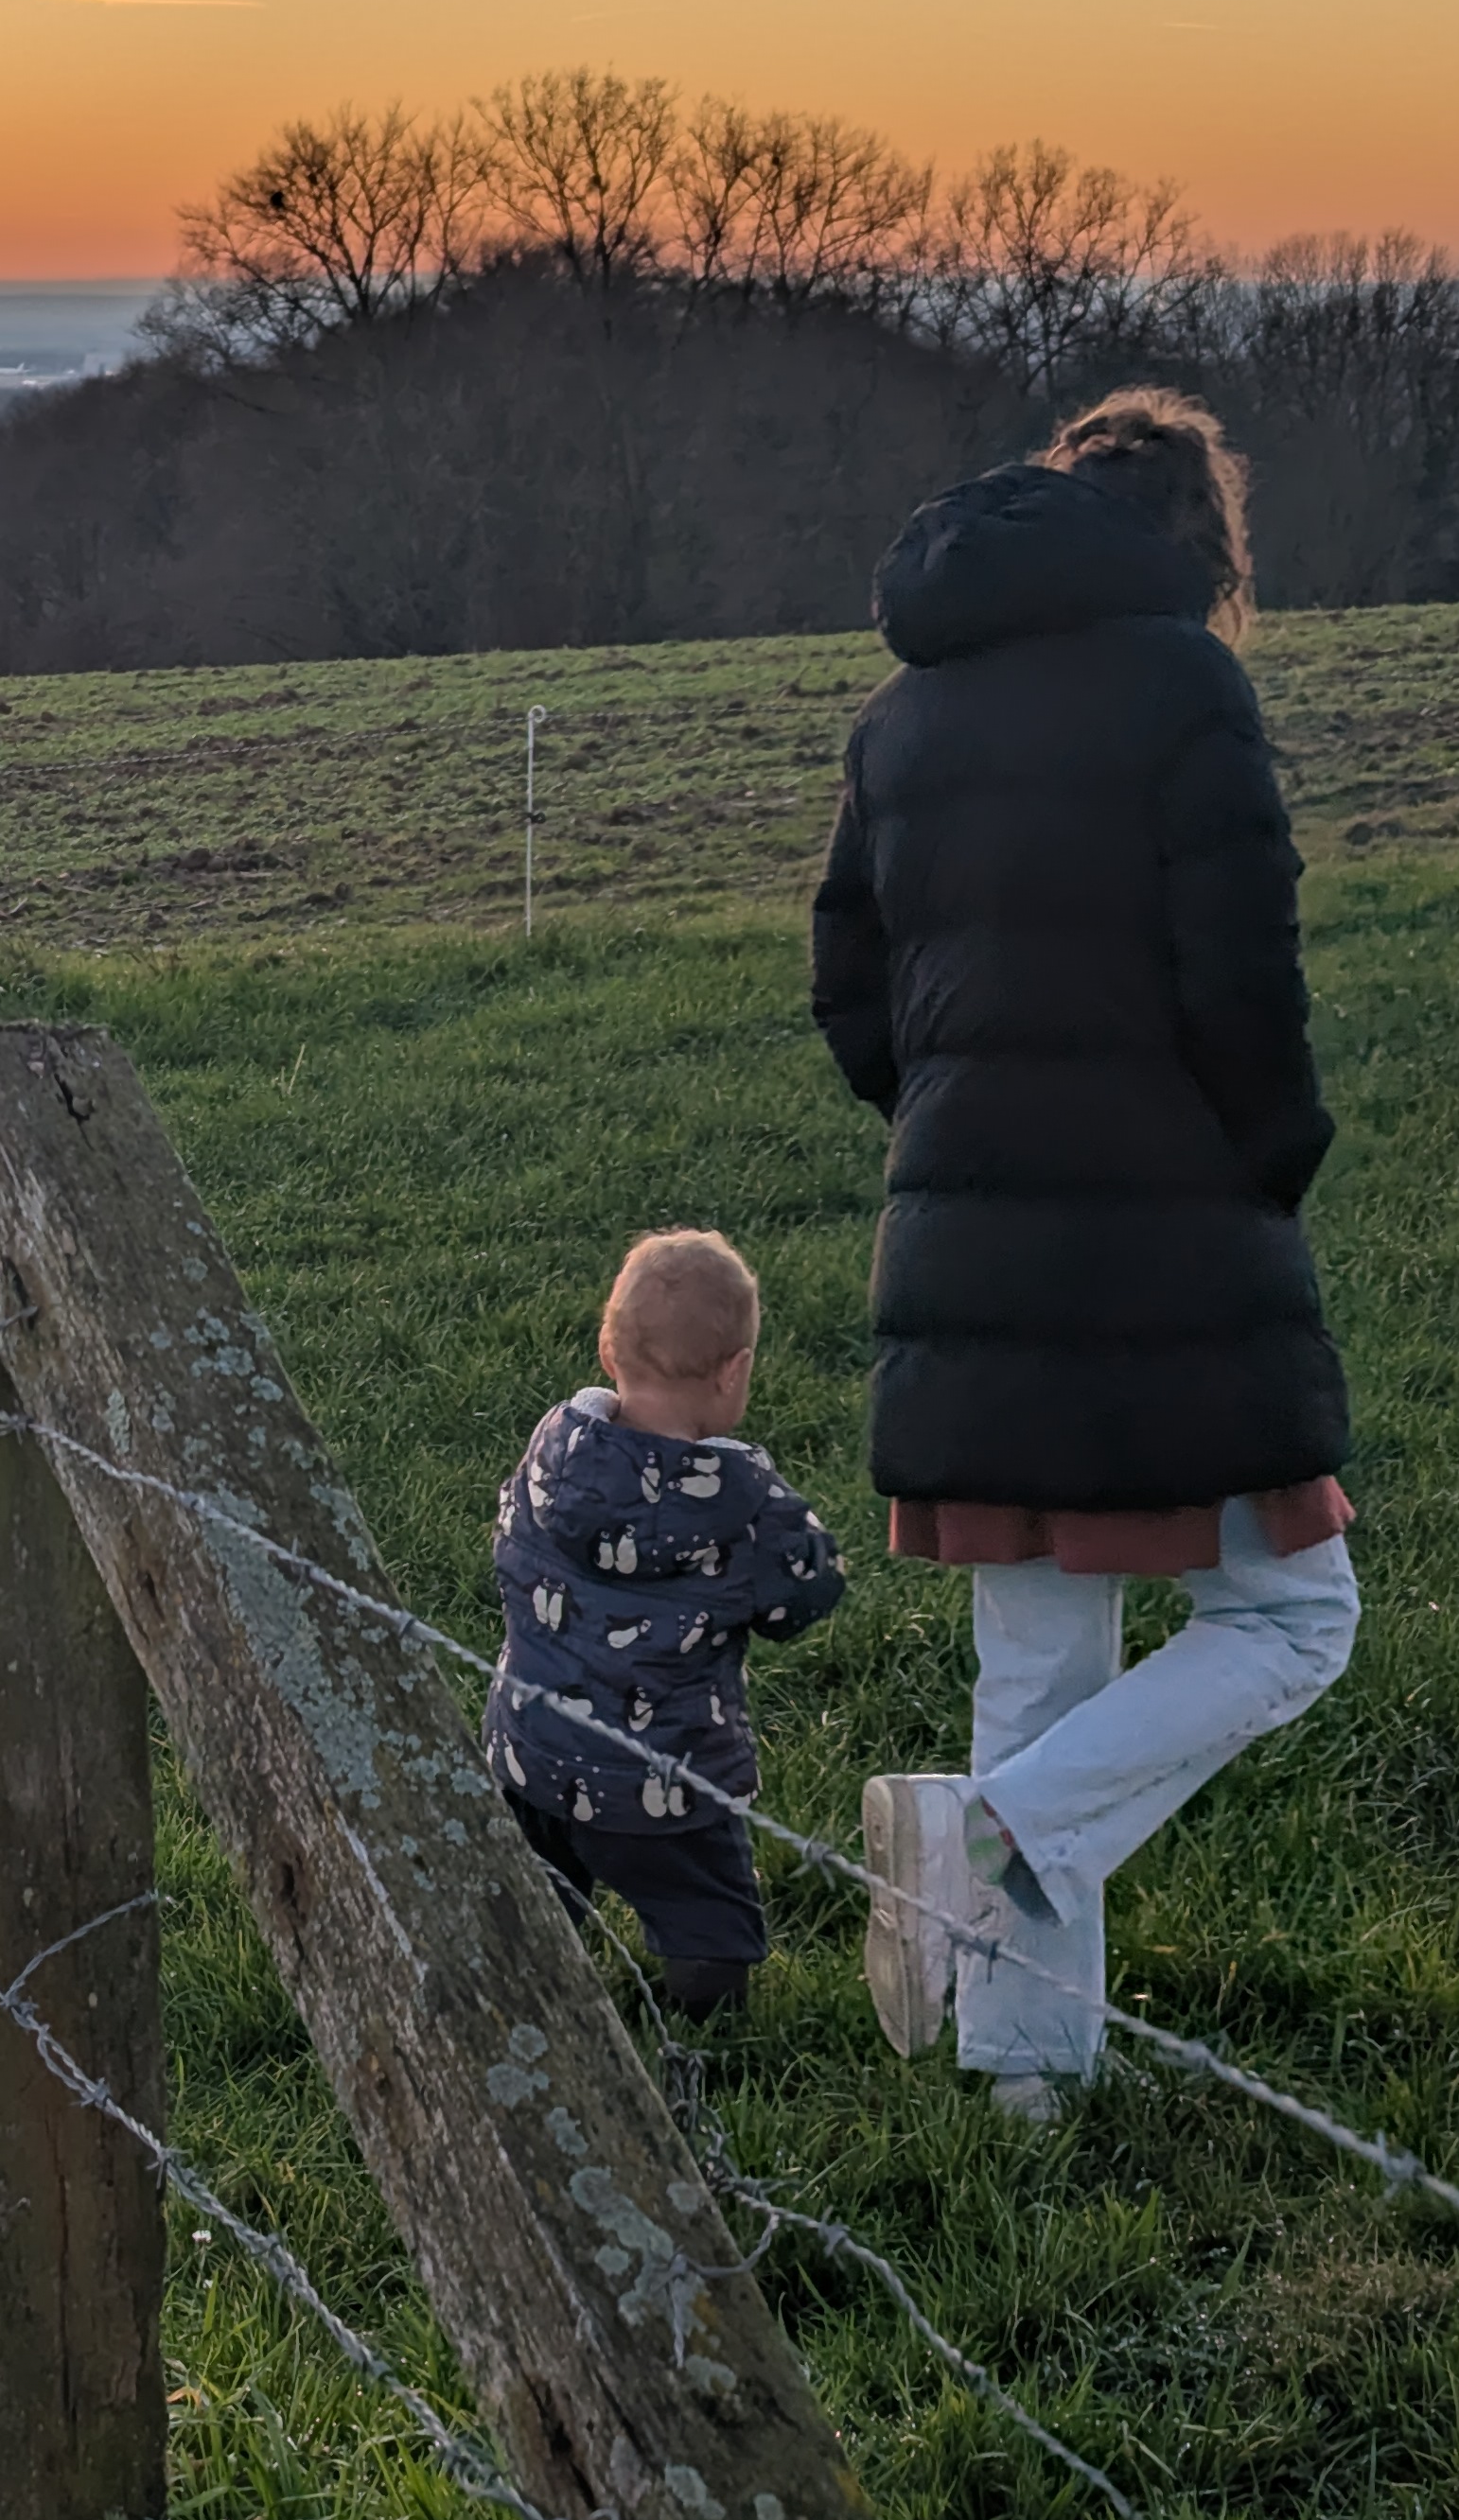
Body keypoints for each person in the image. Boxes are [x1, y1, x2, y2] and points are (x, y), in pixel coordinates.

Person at [810, 388, 1362, 2122]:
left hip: (962, 1225)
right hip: (1169, 1227)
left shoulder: (903, 711)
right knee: (1295, 1615)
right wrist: (1273, 1156)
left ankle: (1024, 2079)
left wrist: (955, 1126)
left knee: (1040, 1662)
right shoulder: (1187, 685)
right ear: (1203, 548)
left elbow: (849, 993)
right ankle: (992, 1834)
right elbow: (1244, 977)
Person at [483, 1226, 846, 2021]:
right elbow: (807, 1596)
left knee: (537, 1899)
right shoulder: (745, 1501)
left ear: (607, 1349)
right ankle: (703, 2018)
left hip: (532, 1752)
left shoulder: (553, 1450)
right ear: (734, 1371)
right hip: (667, 1778)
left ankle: (528, 1995)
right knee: (705, 1911)